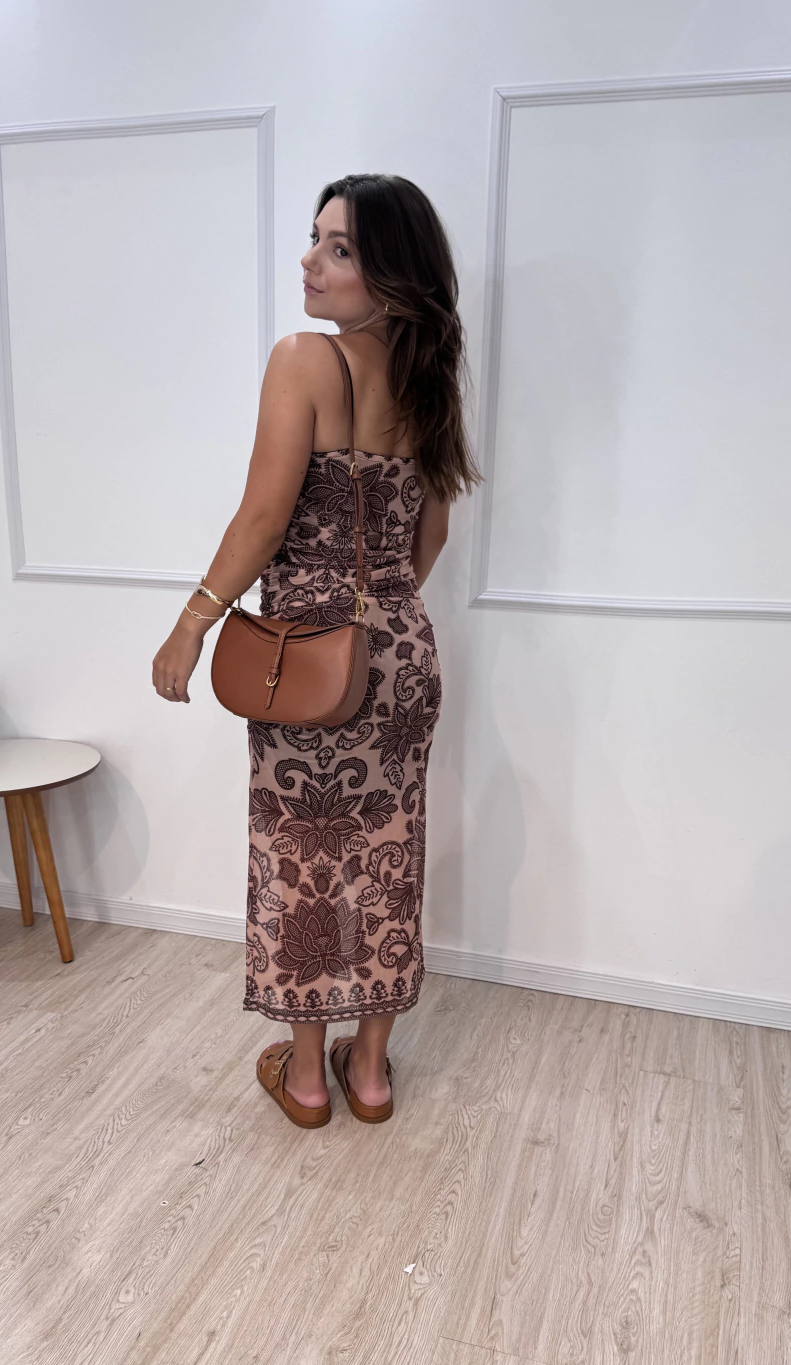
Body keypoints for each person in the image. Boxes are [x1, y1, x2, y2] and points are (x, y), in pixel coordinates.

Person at [152, 173, 482, 1126]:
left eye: (339, 248)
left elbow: (264, 516)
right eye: (315, 238)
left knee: (301, 857)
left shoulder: (304, 359)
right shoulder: (427, 383)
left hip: (307, 657)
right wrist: (380, 611)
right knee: (386, 854)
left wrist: (193, 621)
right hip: (401, 652)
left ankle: (306, 1078)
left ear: (392, 273)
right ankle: (369, 1073)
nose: (310, 260)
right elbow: (430, 537)